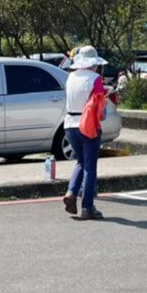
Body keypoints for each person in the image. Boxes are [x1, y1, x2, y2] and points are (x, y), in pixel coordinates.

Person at [61, 45, 108, 221]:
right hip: (87, 125)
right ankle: (87, 207)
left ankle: (71, 192)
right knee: (90, 167)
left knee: (80, 162)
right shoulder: (95, 79)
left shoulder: (70, 77)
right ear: (93, 64)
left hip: (69, 124)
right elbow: (99, 106)